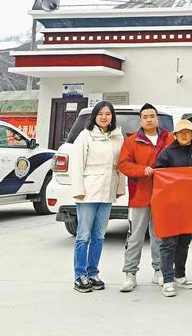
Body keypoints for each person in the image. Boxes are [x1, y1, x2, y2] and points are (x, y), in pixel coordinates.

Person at [69, 100, 125, 293]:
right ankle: (80, 276)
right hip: (88, 192)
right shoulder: (85, 136)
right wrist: (78, 190)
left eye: (108, 114)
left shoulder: (118, 136)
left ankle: (93, 273)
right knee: (83, 236)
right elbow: (77, 165)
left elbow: (120, 165)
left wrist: (119, 188)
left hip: (107, 192)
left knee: (99, 236)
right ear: (94, 116)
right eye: (100, 113)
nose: (104, 117)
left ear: (112, 116)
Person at [117, 103, 173, 292]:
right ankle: (130, 274)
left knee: (160, 235)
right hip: (140, 195)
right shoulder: (132, 140)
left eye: (152, 116)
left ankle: (159, 270)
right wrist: (142, 170)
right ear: (140, 120)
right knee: (136, 236)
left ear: (157, 119)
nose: (149, 119)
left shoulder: (169, 138)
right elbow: (123, 164)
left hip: (163, 196)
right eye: (145, 117)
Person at [153, 119, 192, 297]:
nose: (184, 135)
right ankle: (167, 279)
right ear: (175, 135)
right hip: (170, 205)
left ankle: (180, 275)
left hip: (190, 205)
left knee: (184, 242)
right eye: (181, 132)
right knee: (168, 243)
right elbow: (158, 175)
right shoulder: (167, 153)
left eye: (187, 132)